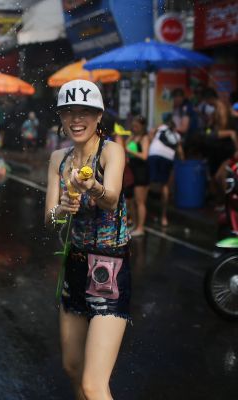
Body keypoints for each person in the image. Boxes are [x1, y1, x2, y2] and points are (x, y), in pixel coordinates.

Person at [44, 80, 130, 400]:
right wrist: (63, 209)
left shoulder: (111, 152)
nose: (76, 119)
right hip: (75, 266)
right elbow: (50, 219)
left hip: (109, 267)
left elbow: (110, 199)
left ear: (98, 117)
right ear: (61, 118)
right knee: (72, 368)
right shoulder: (59, 159)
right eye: (68, 113)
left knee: (94, 385)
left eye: (84, 112)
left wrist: (91, 186)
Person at [148, 116, 184, 227]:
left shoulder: (162, 127)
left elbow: (151, 133)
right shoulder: (177, 136)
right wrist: (183, 162)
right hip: (167, 158)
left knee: (147, 184)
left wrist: (150, 142)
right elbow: (180, 153)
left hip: (154, 154)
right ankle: (163, 217)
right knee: (165, 186)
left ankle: (146, 212)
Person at [125, 115, 150, 236]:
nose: (134, 128)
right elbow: (124, 147)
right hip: (132, 172)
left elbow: (145, 156)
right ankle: (135, 224)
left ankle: (141, 227)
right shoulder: (132, 137)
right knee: (131, 201)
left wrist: (130, 151)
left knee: (140, 201)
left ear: (142, 126)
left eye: (136, 126)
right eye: (133, 125)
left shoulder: (144, 138)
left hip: (141, 171)